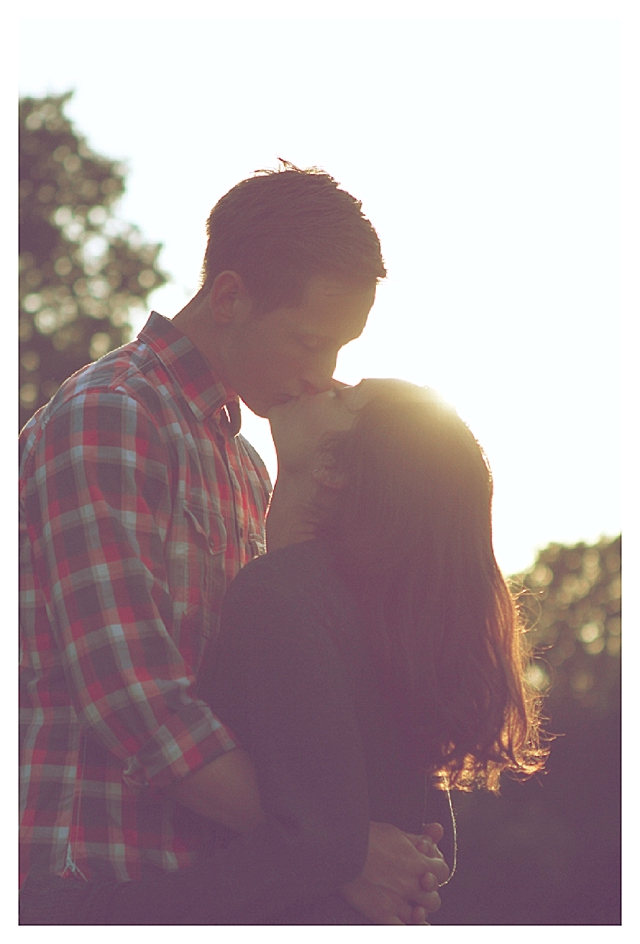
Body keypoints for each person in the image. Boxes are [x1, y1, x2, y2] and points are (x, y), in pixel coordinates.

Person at [19, 163, 446, 924]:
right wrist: (339, 846)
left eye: (340, 351)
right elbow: (135, 701)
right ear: (229, 297)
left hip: (194, 882)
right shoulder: (112, 416)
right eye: (310, 343)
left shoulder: (245, 465)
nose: (323, 377)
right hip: (86, 875)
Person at [19, 378, 544, 924]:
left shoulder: (281, 596)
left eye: (345, 396)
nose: (327, 381)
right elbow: (419, 839)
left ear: (335, 469)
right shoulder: (376, 615)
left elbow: (307, 848)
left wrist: (91, 914)